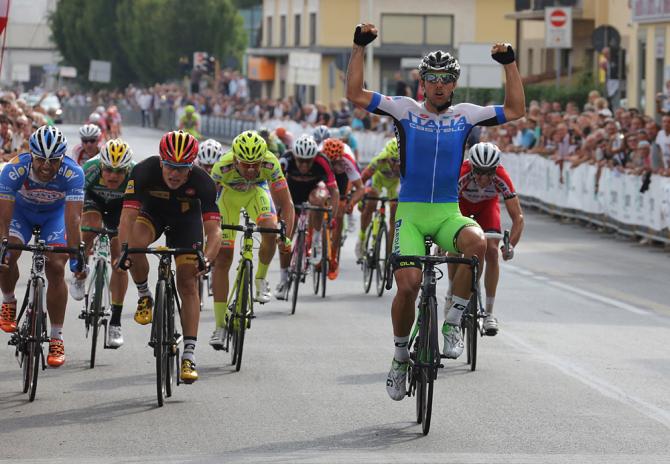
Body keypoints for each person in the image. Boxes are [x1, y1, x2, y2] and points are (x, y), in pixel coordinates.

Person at [346, 23, 525, 401]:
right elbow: (355, 93)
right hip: (410, 213)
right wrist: (359, 46)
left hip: (447, 212)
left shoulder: (466, 115)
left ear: (454, 84)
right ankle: (398, 357)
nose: (439, 85)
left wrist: (509, 64)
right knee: (408, 286)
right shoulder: (404, 109)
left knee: (477, 243)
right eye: (432, 79)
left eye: (446, 79)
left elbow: (515, 109)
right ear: (422, 83)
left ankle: (454, 321)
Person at [117, 130, 222, 383]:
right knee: (136, 244)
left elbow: (214, 230)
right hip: (152, 214)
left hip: (186, 222)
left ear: (191, 166)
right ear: (161, 162)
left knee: (187, 281)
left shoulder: (203, 182)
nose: (175, 174)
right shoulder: (143, 171)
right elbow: (127, 217)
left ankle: (189, 353)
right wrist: (124, 250)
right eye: (170, 167)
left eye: (182, 168)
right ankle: (144, 294)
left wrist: (206, 258)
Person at [0, 125, 86, 367]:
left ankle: (56, 338)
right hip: (21, 214)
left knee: (57, 266)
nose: (46, 166)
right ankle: (8, 301)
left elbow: (73, 219)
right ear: (31, 155)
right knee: (7, 254)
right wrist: (2, 244)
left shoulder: (73, 173)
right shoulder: (15, 168)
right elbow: (3, 217)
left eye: (53, 160)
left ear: (62, 158)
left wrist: (76, 252)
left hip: (54, 218)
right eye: (40, 160)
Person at [209, 130, 294, 348]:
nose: (250, 169)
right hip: (229, 199)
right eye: (245, 164)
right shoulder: (222, 167)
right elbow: (206, 204)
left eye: (255, 164)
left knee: (270, 227)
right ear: (235, 158)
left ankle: (260, 279)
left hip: (257, 193)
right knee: (224, 257)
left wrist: (287, 238)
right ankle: (219, 326)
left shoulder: (270, 163)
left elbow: (287, 205)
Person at [444, 142, 523, 335]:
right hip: (459, 206)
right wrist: (442, 239)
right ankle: (452, 293)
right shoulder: (461, 173)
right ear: (471, 167)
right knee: (455, 247)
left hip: (487, 207)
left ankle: (489, 313)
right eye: (478, 172)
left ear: (495, 170)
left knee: (493, 252)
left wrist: (510, 245)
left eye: (489, 173)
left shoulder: (501, 176)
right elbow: (444, 209)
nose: (483, 178)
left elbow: (518, 218)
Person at [69, 138, 135, 348]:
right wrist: (79, 228)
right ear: (100, 166)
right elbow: (75, 201)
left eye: (119, 171)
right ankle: (79, 272)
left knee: (120, 260)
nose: (113, 176)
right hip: (94, 200)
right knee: (90, 226)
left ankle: (115, 321)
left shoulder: (135, 175)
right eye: (108, 170)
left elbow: (138, 208)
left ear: (127, 170)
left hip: (120, 206)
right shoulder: (89, 169)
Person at [276, 134, 339, 295]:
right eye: (300, 161)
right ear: (295, 156)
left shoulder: (322, 161)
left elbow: (334, 191)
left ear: (314, 157)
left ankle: (317, 240)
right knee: (285, 239)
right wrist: (277, 211)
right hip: (291, 195)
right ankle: (283, 278)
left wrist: (332, 216)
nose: (304, 165)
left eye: (308, 161)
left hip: (313, 191)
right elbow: (273, 187)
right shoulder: (286, 159)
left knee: (318, 200)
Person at [320, 137, 365, 279]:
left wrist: (350, 203)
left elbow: (361, 189)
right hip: (324, 175)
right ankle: (311, 241)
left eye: (337, 162)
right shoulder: (319, 156)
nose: (334, 165)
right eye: (331, 162)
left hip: (342, 179)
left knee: (339, 214)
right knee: (318, 202)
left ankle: (333, 257)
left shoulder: (347, 160)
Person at [357, 137, 401, 260]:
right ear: (387, 157)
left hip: (394, 185)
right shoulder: (380, 160)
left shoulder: (407, 164)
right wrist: (360, 197)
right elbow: (363, 178)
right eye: (393, 160)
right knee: (371, 201)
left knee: (394, 215)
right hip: (378, 182)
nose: (396, 165)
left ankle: (389, 254)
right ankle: (362, 237)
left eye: (399, 161)